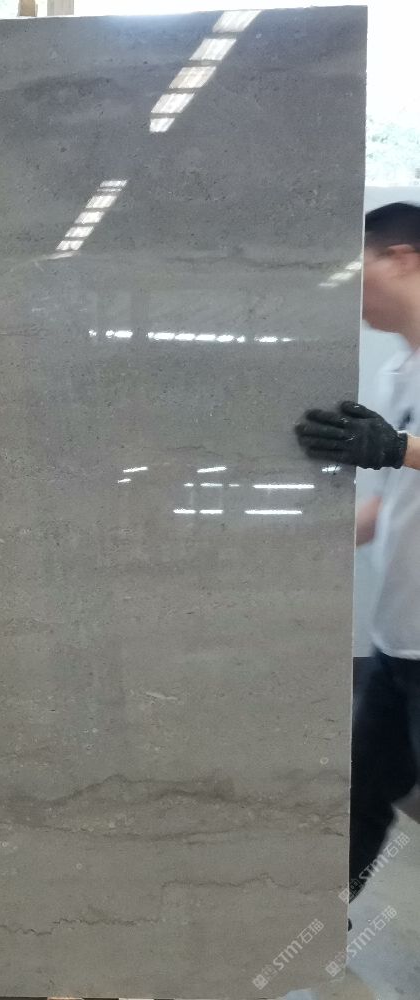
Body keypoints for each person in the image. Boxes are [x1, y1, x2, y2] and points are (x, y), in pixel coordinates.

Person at [295, 201, 420, 900]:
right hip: (396, 642)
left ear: (400, 258)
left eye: (359, 265)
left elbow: (402, 458)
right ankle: (319, 929)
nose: (352, 286)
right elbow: (387, 507)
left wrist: (397, 448)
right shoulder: (399, 373)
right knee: (360, 797)